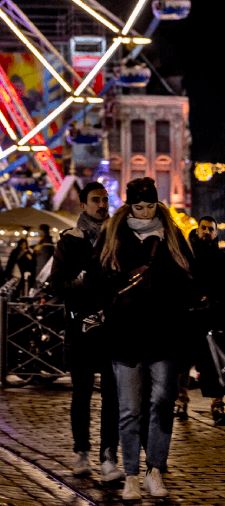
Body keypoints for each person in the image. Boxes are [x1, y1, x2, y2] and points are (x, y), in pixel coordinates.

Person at [90, 177, 195, 500]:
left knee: (162, 403)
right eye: (140, 206)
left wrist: (170, 292)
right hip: (125, 333)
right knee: (129, 409)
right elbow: (96, 279)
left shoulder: (172, 235)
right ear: (129, 205)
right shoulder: (113, 235)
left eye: (151, 206)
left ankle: (155, 470)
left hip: (163, 332)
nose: (147, 212)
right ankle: (132, 475)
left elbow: (190, 277)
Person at [49, 182, 123, 483]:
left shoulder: (118, 240)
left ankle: (109, 456)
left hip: (111, 328)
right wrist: (81, 284)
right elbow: (57, 285)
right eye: (96, 200)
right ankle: (81, 451)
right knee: (81, 393)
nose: (102, 205)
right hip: (79, 326)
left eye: (105, 200)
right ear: (83, 205)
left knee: (112, 396)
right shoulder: (70, 241)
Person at [177, 216, 225, 424]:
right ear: (197, 231)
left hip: (211, 317)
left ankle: (217, 405)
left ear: (215, 233)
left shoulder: (221, 258)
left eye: (210, 229)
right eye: (203, 228)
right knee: (183, 362)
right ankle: (181, 401)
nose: (206, 232)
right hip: (188, 315)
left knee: (214, 364)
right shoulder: (186, 255)